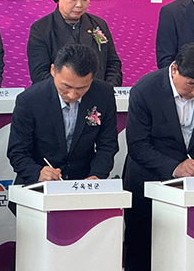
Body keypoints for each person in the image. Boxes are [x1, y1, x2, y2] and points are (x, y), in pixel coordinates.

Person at [123, 42, 194, 271]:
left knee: (189, 249)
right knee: (143, 250)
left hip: (192, 183)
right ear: (174, 69)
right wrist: (175, 168)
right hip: (148, 179)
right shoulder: (145, 90)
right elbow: (138, 145)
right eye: (191, 84)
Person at [7, 44, 119, 185]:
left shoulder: (103, 94)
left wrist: (96, 175)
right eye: (66, 86)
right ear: (53, 70)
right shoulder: (30, 100)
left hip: (84, 183)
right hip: (38, 185)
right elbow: (17, 151)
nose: (72, 95)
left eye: (81, 88)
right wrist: (38, 173)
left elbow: (107, 145)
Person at [27, 0, 122, 86]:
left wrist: (107, 89)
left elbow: (113, 64)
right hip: (60, 94)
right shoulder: (41, 28)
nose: (79, 5)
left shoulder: (99, 24)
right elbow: (39, 73)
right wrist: (72, 90)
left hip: (98, 92)